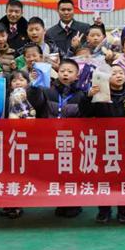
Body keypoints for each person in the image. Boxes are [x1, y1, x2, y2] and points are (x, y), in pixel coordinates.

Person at [81, 64, 125, 224]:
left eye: (121, 73)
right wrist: (88, 97)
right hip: (104, 143)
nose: (118, 75)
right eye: (114, 73)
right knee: (104, 178)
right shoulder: (99, 92)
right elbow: (85, 112)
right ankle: (104, 210)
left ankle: (123, 211)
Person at [27, 59, 85, 218]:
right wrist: (33, 87)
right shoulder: (47, 90)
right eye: (62, 71)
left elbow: (85, 115)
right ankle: (60, 201)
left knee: (72, 172)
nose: (65, 74)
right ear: (57, 73)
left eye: (70, 71)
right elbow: (36, 103)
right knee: (56, 171)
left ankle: (73, 204)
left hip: (72, 140)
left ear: (77, 75)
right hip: (50, 138)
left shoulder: (81, 94)